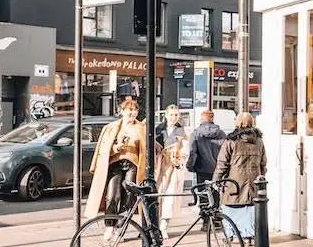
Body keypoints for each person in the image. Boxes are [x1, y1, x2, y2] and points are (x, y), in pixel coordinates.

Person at [85, 97, 147, 239]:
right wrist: (116, 148)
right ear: (122, 111)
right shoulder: (112, 127)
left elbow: (145, 149)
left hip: (133, 164)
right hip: (115, 164)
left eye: (135, 110)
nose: (133, 113)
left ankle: (120, 227)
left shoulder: (141, 128)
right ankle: (109, 226)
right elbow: (103, 148)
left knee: (128, 196)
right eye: (130, 110)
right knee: (113, 195)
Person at [213, 111, 266, 242]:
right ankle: (249, 236)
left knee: (231, 208)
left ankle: (231, 235)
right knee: (249, 208)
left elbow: (222, 163)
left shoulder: (231, 141)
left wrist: (216, 180)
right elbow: (263, 163)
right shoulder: (259, 141)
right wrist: (260, 177)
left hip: (234, 182)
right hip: (253, 182)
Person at [154, 104, 188, 239]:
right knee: (157, 195)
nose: (174, 117)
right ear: (166, 115)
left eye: (176, 115)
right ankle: (153, 225)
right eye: (171, 114)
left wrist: (179, 160)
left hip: (173, 166)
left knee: (169, 196)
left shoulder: (182, 131)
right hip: (158, 166)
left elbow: (185, 150)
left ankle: (163, 226)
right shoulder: (158, 129)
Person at [187, 110, 227, 226]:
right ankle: (216, 219)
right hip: (217, 169)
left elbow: (192, 152)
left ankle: (206, 221)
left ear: (202, 119)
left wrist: (190, 166)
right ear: (212, 118)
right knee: (215, 194)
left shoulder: (196, 134)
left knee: (204, 194)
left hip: (202, 168)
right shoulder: (221, 134)